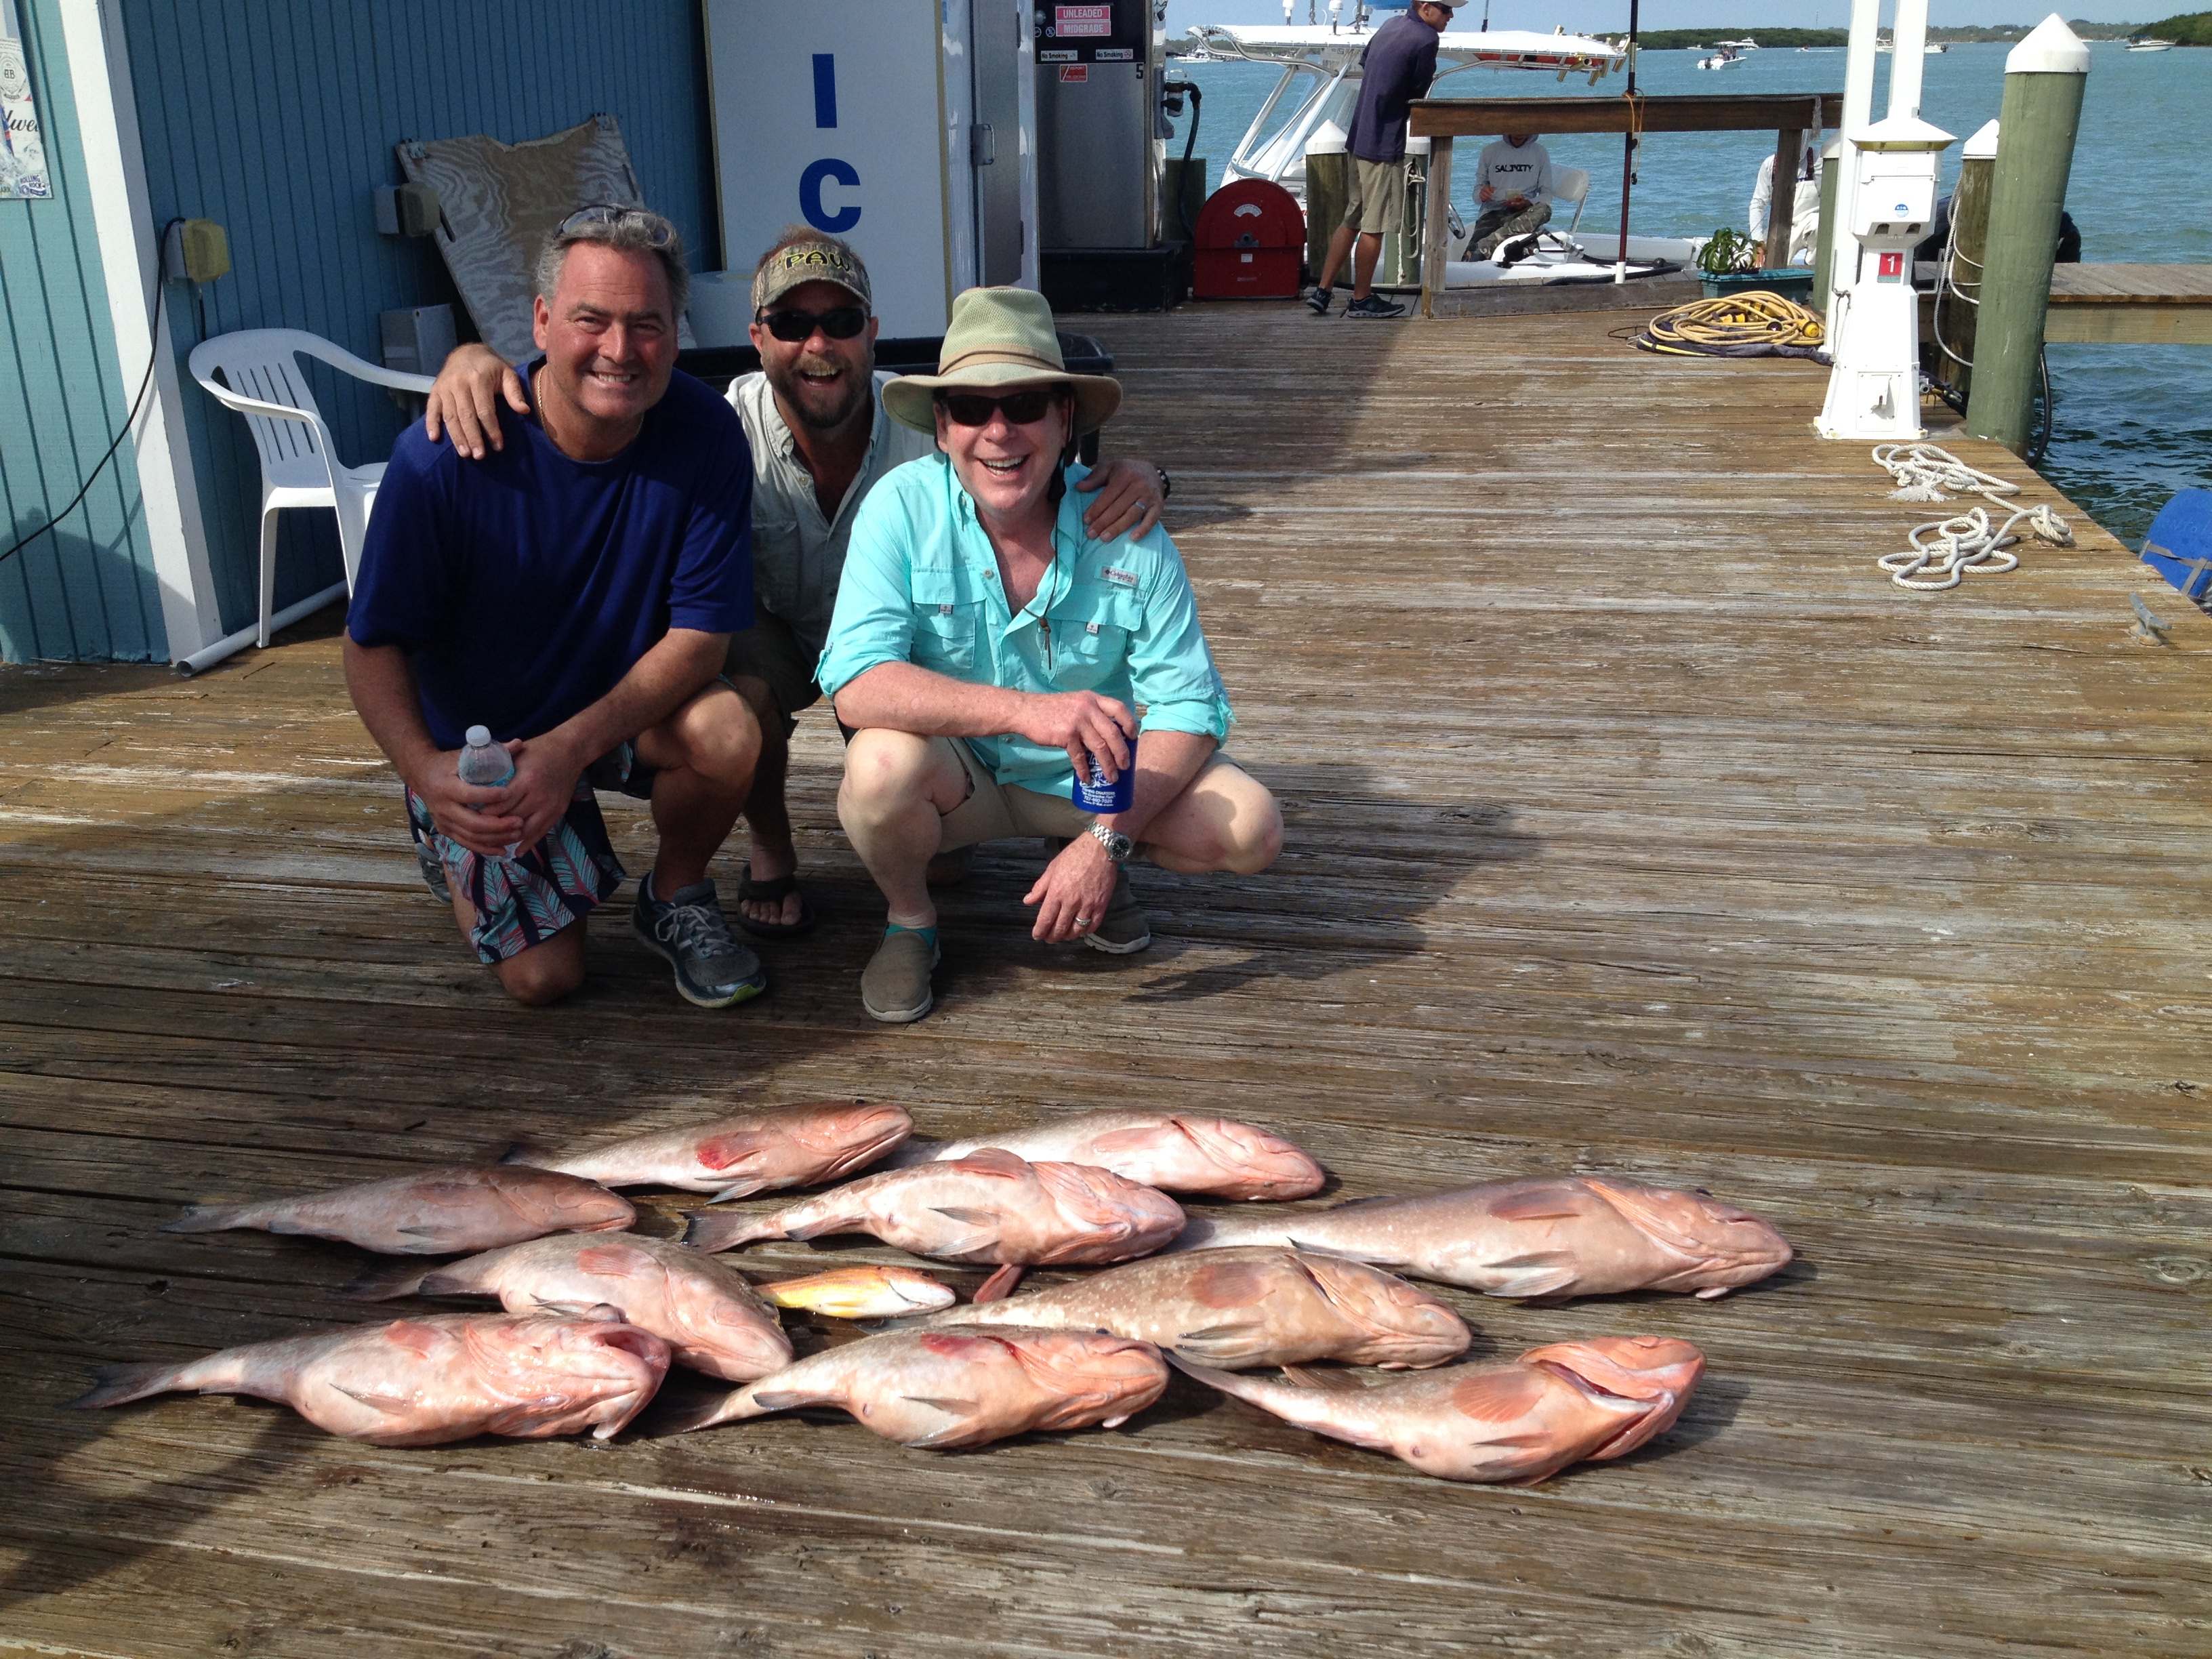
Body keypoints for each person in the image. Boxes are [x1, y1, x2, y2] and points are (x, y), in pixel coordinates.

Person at [423, 230, 1166, 938]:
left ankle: (1067, 824)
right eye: (790, 324)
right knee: (737, 694)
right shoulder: (722, 427)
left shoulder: (933, 424)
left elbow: (1028, 464)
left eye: (840, 322)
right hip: (772, 628)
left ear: (872, 333)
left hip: (901, 637)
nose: (818, 344)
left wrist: (1143, 474)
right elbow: (605, 395)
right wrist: (471, 360)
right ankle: (772, 846)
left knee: (942, 855)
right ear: (757, 338)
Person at [346, 204, 771, 1011]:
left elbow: (701, 639)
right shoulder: (443, 458)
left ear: (676, 333)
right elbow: (370, 644)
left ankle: (673, 896)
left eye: (646, 324)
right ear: (541, 322)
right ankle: (440, 819)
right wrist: (425, 770)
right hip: (490, 746)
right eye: (591, 320)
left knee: (727, 728)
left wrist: (568, 751)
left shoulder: (706, 432)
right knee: (546, 981)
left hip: (611, 717)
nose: (620, 349)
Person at [819, 287, 1283, 1024]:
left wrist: (1105, 841)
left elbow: (1191, 707)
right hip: (960, 777)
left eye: (1025, 403)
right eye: (970, 407)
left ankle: (1089, 858)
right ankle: (910, 919)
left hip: (1090, 785)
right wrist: (1025, 712)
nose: (998, 430)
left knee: (1251, 828)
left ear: (1065, 420)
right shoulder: (898, 507)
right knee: (878, 766)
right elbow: (856, 682)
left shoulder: (1129, 526)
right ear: (941, 427)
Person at [1307, 0, 1465, 320]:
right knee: (1375, 226)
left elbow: (1368, 63)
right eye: (1446, 8)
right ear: (1425, 7)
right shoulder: (1427, 39)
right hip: (1383, 141)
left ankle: (1323, 291)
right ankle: (1361, 299)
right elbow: (1418, 92)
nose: (1451, 15)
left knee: (1352, 218)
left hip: (1359, 136)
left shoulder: (1390, 26)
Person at [1469, 132, 1553, 260]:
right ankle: (1494, 241)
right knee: (1471, 257)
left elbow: (1547, 195)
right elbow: (1476, 195)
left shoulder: (1540, 152)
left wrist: (1528, 202)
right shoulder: (1490, 151)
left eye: (1523, 130)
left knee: (1544, 209)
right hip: (1493, 212)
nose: (1519, 134)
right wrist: (1482, 193)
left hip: (1523, 213)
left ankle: (1492, 241)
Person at [1749, 144, 1822, 266]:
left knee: (1819, 224)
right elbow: (1757, 204)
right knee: (1767, 267)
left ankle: (1812, 266)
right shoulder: (1770, 165)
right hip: (1780, 229)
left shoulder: (1818, 160)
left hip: (1811, 223)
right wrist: (1758, 242)